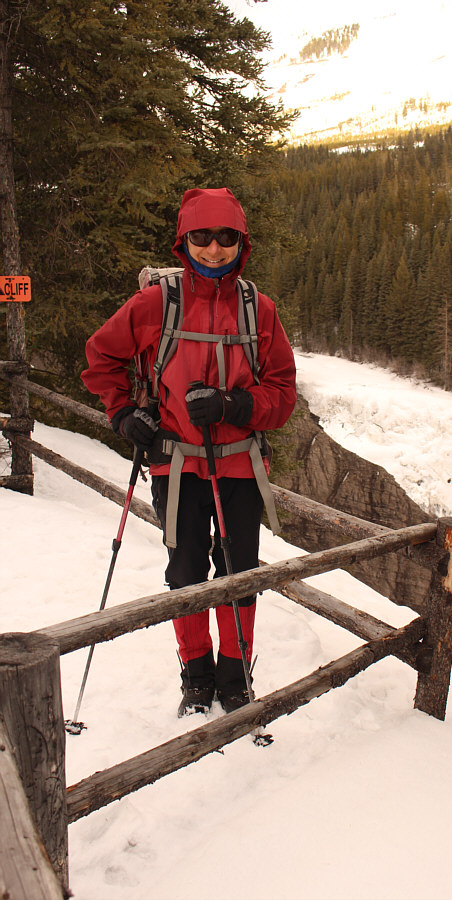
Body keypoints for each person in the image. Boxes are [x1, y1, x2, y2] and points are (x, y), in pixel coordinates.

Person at [82, 187, 297, 716]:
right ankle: (196, 675)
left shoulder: (259, 311)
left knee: (239, 573)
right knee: (185, 573)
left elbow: (283, 394)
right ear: (184, 241)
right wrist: (124, 414)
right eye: (202, 237)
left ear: (241, 242)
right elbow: (100, 356)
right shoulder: (157, 303)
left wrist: (233, 405)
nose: (214, 249)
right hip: (177, 466)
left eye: (227, 238)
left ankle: (235, 675)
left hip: (240, 466)